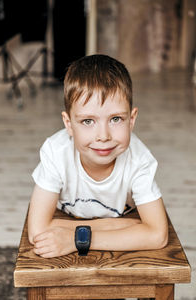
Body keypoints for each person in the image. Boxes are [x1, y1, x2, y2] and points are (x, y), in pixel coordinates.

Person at [28, 54, 168, 258]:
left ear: (132, 119)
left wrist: (78, 239)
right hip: (109, 223)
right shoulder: (55, 152)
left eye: (116, 119)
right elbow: (38, 231)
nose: (103, 136)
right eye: (87, 121)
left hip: (77, 227)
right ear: (68, 124)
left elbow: (157, 235)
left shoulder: (139, 160)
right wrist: (115, 226)